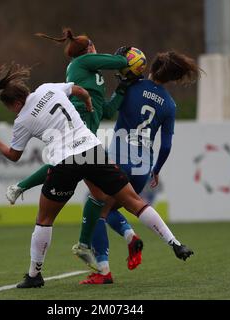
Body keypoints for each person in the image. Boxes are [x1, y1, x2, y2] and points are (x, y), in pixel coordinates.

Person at [0, 62, 193, 288]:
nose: (13, 111)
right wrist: (88, 104)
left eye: (11, 108)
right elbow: (80, 90)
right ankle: (174, 243)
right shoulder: (48, 88)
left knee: (44, 219)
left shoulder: (22, 120)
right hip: (92, 152)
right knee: (133, 201)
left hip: (66, 162)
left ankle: (34, 275)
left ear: (16, 103)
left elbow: (14, 155)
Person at [5, 28, 143, 271]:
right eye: (94, 45)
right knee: (74, 167)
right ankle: (21, 187)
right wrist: (126, 59)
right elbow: (119, 61)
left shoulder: (94, 74)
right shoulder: (82, 62)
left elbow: (108, 111)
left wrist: (121, 89)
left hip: (90, 126)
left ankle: (90, 245)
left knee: (99, 196)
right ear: (89, 48)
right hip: (79, 122)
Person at [80, 51, 201, 284]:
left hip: (117, 158)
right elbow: (166, 145)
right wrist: (156, 169)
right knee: (118, 206)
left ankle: (103, 271)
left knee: (96, 208)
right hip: (142, 167)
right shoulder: (169, 104)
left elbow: (109, 109)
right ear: (172, 78)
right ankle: (161, 240)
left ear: (151, 68)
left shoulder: (133, 86)